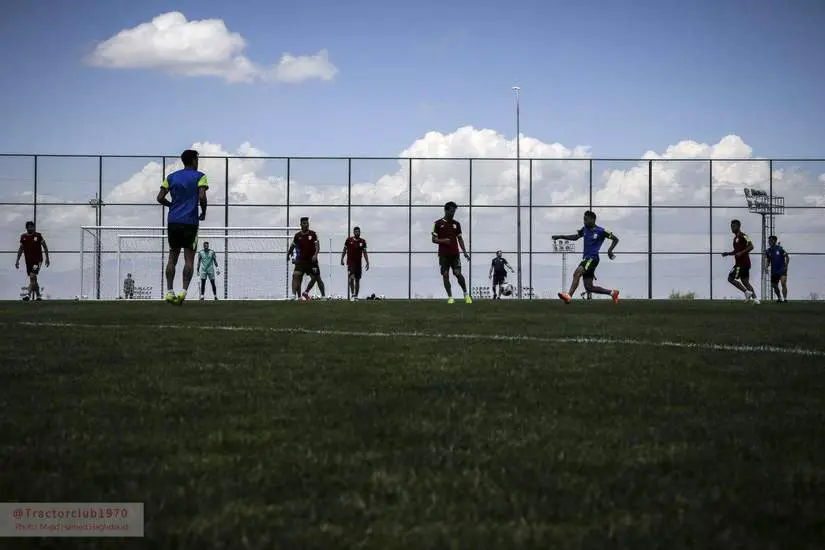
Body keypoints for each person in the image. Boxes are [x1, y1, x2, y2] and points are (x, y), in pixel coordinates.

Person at [156, 149, 208, 305]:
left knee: (172, 257)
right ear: (193, 160)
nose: (198, 162)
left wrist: (172, 205)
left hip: (173, 221)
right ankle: (183, 292)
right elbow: (202, 196)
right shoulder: (200, 176)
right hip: (190, 222)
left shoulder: (171, 177)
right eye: (197, 159)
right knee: (189, 259)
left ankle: (169, 292)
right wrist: (203, 212)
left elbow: (159, 198)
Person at [552, 210, 620, 304]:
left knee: (577, 273)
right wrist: (560, 236)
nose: (584, 221)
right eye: (584, 219)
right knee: (589, 287)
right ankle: (613, 293)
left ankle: (568, 296)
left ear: (593, 219)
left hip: (592, 258)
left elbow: (615, 239)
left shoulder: (601, 231)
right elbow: (575, 237)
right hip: (587, 259)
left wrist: (610, 251)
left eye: (586, 219)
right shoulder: (585, 229)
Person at [432, 201, 472, 304]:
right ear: (446, 210)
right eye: (451, 211)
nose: (452, 213)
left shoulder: (456, 224)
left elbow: (460, 239)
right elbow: (434, 239)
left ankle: (466, 294)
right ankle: (450, 297)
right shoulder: (437, 224)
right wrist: (444, 241)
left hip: (455, 254)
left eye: (454, 211)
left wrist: (465, 252)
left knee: (458, 273)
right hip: (443, 255)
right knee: (445, 275)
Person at [287, 217, 326, 300]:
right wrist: (288, 253)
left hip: (312, 262)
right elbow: (293, 246)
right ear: (301, 224)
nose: (306, 225)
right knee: (296, 276)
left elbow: (317, 246)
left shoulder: (313, 234)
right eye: (304, 223)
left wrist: (315, 255)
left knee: (317, 278)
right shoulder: (297, 236)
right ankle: (294, 296)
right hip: (301, 261)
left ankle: (322, 296)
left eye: (307, 223)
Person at [721, 219, 757, 302]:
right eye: (731, 226)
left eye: (733, 226)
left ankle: (746, 292)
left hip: (742, 264)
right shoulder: (735, 239)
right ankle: (755, 299)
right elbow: (735, 251)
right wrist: (728, 253)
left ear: (738, 226)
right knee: (745, 282)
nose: (732, 228)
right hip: (741, 263)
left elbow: (751, 246)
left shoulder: (744, 236)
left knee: (730, 278)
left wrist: (741, 253)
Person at [15, 220, 50, 301]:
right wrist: (17, 261)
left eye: (32, 227)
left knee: (32, 276)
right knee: (34, 279)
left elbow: (45, 246)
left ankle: (28, 295)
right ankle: (38, 296)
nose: (31, 228)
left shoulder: (38, 236)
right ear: (26, 228)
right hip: (28, 261)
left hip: (37, 260)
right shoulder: (23, 237)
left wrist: (47, 258)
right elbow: (21, 249)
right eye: (30, 227)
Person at [341, 226, 370, 300]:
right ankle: (353, 294)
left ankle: (356, 296)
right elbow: (344, 250)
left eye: (358, 231)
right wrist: (342, 259)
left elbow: (365, 252)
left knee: (357, 280)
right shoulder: (349, 240)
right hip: (351, 262)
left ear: (360, 232)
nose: (357, 233)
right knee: (351, 277)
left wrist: (367, 262)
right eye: (356, 231)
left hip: (358, 263)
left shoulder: (362, 241)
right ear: (353, 232)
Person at [765, 235, 790, 303]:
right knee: (774, 285)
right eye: (769, 240)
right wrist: (766, 267)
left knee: (783, 283)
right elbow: (768, 260)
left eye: (772, 240)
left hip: (782, 269)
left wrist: (786, 265)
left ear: (775, 241)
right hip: (774, 271)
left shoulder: (780, 249)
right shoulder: (768, 251)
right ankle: (779, 298)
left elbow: (787, 257)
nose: (770, 242)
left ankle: (785, 299)